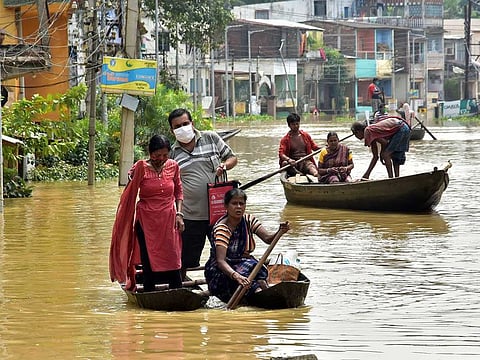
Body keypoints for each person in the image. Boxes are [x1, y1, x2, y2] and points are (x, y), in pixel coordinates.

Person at [168, 108, 238, 279]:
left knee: (227, 254)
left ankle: (230, 284)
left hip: (219, 213)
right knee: (185, 259)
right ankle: (181, 288)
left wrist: (224, 166)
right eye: (177, 126)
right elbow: (171, 186)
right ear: (172, 131)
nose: (182, 128)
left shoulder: (211, 138)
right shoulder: (172, 154)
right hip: (190, 216)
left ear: (192, 124)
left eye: (185, 124)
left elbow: (232, 157)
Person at [110, 135, 184, 292]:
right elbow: (130, 190)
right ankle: (149, 291)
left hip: (169, 219)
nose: (161, 159)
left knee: (173, 255)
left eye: (165, 155)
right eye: (157, 156)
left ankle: (176, 290)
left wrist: (179, 214)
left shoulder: (174, 166)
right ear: (150, 153)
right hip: (146, 220)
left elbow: (178, 191)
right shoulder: (141, 167)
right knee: (148, 258)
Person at [204, 188, 290, 304]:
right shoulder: (222, 229)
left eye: (241, 204)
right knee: (250, 276)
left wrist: (280, 231)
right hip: (222, 270)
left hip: (244, 263)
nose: (238, 207)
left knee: (256, 271)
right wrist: (237, 276)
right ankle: (260, 294)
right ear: (226, 206)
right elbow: (221, 261)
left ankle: (264, 293)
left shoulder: (249, 220)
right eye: (234, 204)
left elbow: (268, 239)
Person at [278, 112, 320, 177]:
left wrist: (323, 148)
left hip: (305, 161)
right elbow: (281, 154)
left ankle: (316, 175)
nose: (296, 126)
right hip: (293, 164)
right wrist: (289, 160)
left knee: (312, 168)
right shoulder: (285, 139)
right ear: (289, 125)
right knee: (285, 163)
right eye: (293, 124)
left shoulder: (305, 136)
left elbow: (314, 147)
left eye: (297, 124)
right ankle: (298, 173)